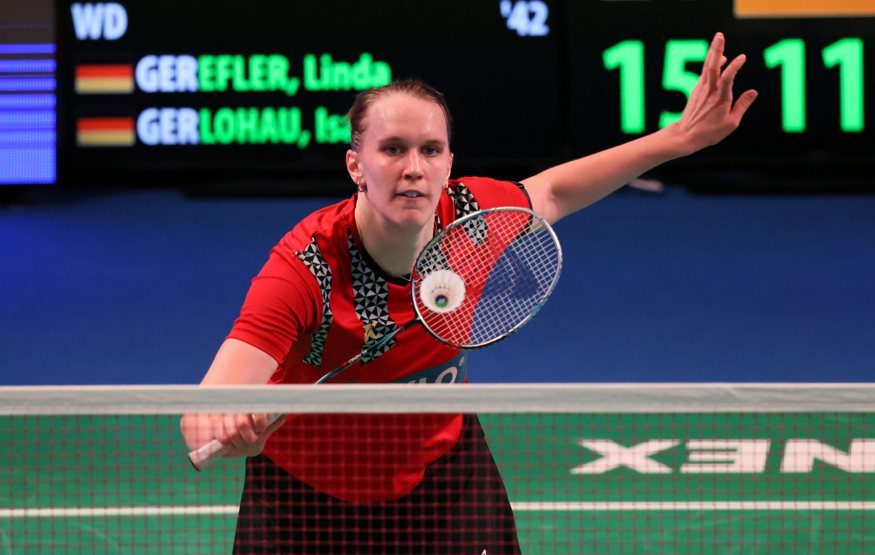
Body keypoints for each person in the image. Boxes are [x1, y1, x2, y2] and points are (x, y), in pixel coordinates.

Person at [181, 32, 757, 554]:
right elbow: (202, 413)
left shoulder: (472, 219)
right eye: (392, 149)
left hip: (445, 479)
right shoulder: (307, 267)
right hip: (307, 502)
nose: (414, 168)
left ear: (449, 162)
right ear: (355, 165)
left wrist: (676, 139)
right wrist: (229, 429)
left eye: (431, 150)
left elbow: (553, 192)